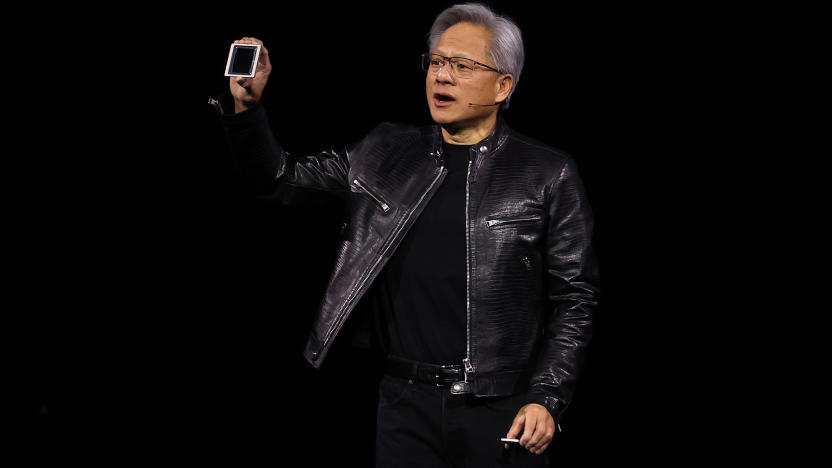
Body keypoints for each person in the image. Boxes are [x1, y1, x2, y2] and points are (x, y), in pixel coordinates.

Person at [213, 3, 599, 466]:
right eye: (436, 61)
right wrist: (247, 110)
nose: (442, 76)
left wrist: (547, 398)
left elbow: (576, 298)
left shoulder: (545, 172)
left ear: (503, 85)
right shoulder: (385, 150)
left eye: (462, 65)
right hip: (404, 404)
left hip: (502, 409)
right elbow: (280, 180)